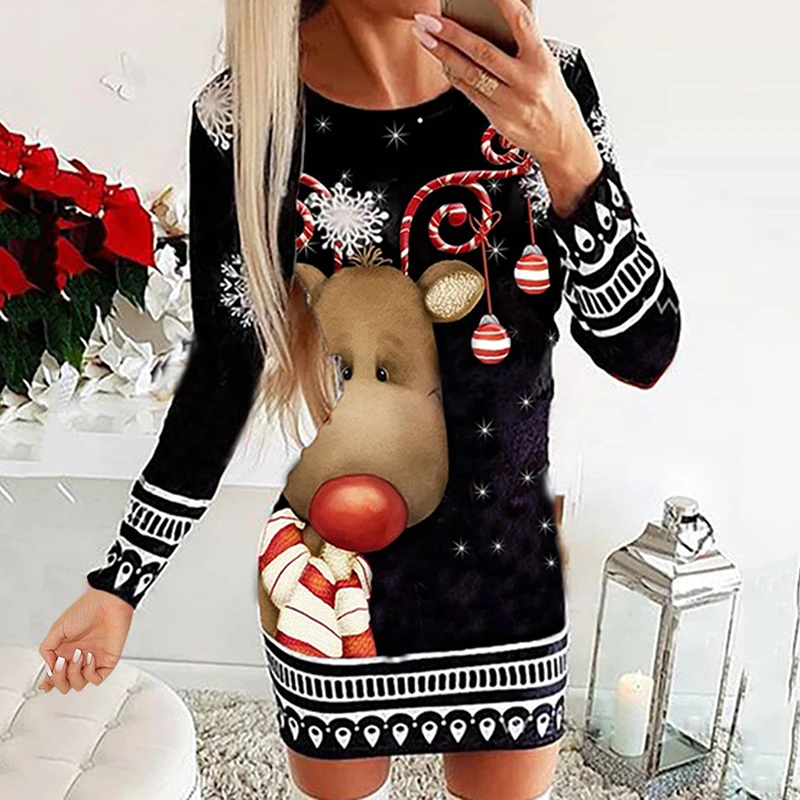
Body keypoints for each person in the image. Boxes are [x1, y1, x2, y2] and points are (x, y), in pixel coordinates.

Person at [37, 1, 681, 798]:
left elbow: (642, 352)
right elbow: (225, 372)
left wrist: (569, 154)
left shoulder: (547, 83)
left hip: (506, 574)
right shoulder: (248, 118)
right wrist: (119, 583)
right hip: (334, 580)